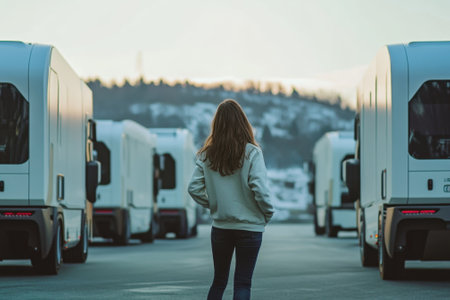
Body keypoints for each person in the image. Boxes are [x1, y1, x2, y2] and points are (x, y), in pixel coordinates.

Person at [188, 99, 274, 300]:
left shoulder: (207, 154)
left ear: (216, 125)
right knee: (243, 283)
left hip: (221, 228)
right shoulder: (252, 152)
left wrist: (216, 204)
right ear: (243, 123)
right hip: (251, 228)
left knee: (219, 281)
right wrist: (267, 212)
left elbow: (193, 188)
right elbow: (259, 188)